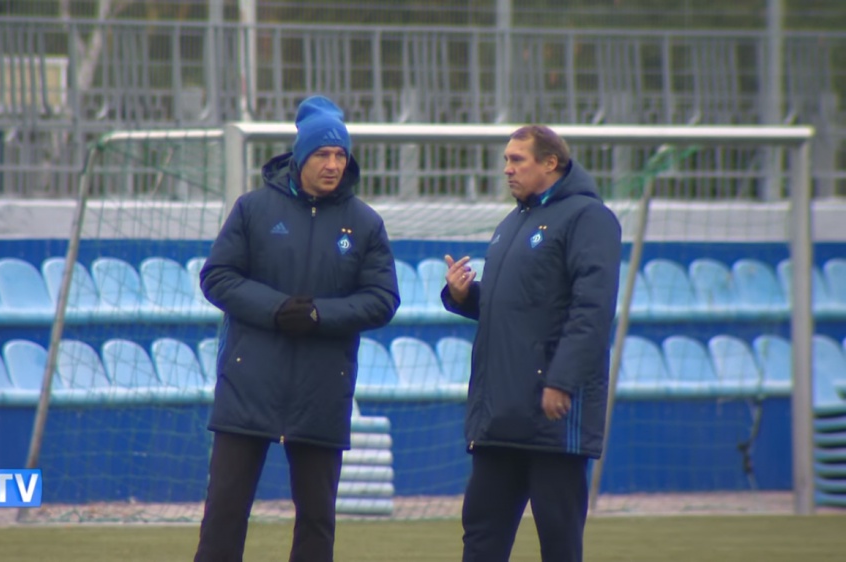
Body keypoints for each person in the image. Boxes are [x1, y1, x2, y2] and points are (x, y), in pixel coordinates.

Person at [194, 95, 400, 562]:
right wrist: (277, 309)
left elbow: (383, 299)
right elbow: (217, 276)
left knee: (316, 521)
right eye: (322, 154)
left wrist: (318, 315)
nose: (333, 165)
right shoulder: (253, 209)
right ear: (300, 155)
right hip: (248, 384)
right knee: (224, 513)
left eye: (340, 155)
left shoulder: (365, 223)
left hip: (322, 390)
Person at [442, 125, 622, 562]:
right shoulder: (511, 223)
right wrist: (464, 296)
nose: (507, 169)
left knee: (558, 542)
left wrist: (562, 381)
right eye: (506, 160)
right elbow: (517, 306)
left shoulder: (589, 218)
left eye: (517, 160)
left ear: (550, 163)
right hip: (500, 413)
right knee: (480, 536)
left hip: (553, 415)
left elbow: (592, 310)